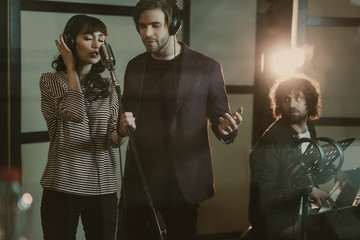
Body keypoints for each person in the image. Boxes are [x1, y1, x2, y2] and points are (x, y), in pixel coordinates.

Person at [117, 0, 243, 239]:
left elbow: (220, 119)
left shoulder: (206, 67)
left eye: (155, 25)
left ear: (173, 24)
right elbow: (127, 115)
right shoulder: (135, 67)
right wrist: (121, 125)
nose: (147, 33)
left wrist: (226, 129)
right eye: (142, 26)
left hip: (183, 184)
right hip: (141, 180)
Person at [39, 14, 135, 240]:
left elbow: (111, 141)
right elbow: (75, 113)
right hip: (61, 186)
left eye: (101, 39)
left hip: (102, 189)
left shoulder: (109, 87)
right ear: (72, 42)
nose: (97, 45)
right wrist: (71, 68)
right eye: (89, 37)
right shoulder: (51, 81)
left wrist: (121, 131)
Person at [246, 75, 335, 240]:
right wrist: (308, 190)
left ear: (310, 101)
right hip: (278, 221)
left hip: (303, 211)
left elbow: (309, 169)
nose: (291, 104)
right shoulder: (272, 139)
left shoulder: (309, 126)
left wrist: (339, 175)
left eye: (298, 98)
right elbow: (267, 193)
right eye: (286, 99)